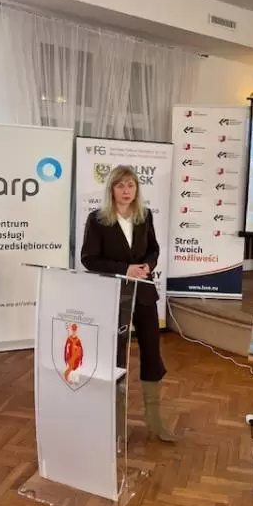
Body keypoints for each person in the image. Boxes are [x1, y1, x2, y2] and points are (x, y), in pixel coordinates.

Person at [81, 165, 176, 443]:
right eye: (120, 185)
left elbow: (153, 249)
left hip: (144, 293)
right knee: (116, 356)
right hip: (114, 295)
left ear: (137, 189)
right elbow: (89, 259)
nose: (126, 191)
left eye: (131, 185)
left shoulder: (144, 215)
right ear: (111, 189)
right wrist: (125, 269)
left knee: (152, 352)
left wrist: (147, 265)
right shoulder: (97, 219)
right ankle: (115, 422)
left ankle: (154, 419)